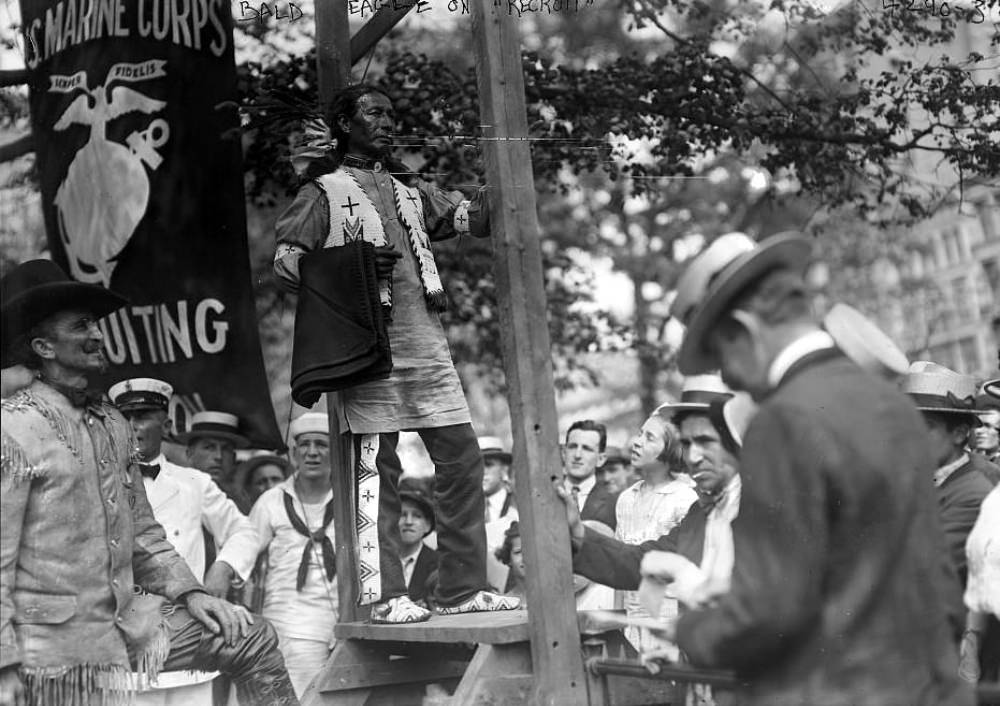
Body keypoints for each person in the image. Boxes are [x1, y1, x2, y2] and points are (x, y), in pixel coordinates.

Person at [662, 232, 969, 704]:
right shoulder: (892, 404)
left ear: (743, 330)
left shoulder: (782, 420)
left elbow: (768, 612)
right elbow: (940, 587)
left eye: (721, 360)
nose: (729, 379)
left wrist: (688, 631)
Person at [0, 259, 298, 706]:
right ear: (43, 345)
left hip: (127, 626)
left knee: (247, 634)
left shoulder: (112, 423)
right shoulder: (13, 428)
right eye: (82, 326)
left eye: (96, 324)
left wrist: (193, 593)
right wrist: (4, 664)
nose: (98, 335)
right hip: (50, 646)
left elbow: (143, 532)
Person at [274, 83, 518, 623]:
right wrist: (354, 264)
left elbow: (467, 219)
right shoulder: (323, 192)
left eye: (390, 115)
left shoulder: (410, 189)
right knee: (372, 471)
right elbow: (288, 263)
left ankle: (460, 589)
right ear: (344, 125)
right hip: (367, 350)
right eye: (373, 115)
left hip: (426, 344)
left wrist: (500, 176)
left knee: (462, 457)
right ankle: (384, 596)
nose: (386, 124)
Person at [109, 377, 262, 706]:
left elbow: (244, 530)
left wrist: (223, 567)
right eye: (126, 418)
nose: (133, 427)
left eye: (144, 417)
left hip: (187, 631)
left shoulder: (194, 483)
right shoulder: (102, 483)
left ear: (165, 425)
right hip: (126, 639)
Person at [249, 412, 339, 698]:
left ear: (334, 450)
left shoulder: (348, 500)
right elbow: (243, 553)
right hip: (280, 627)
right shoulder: (272, 501)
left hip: (333, 628)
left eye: (322, 445)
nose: (312, 453)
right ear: (294, 452)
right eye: (305, 444)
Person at [614, 408, 697, 652]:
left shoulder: (683, 499)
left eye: (648, 438)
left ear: (669, 450)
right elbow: (618, 567)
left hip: (668, 626)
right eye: (639, 434)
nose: (636, 443)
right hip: (628, 624)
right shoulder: (626, 499)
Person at [177, 410, 253, 514]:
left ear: (234, 458)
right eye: (209, 447)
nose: (219, 456)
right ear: (190, 454)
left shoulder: (244, 504)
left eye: (226, 449)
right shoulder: (172, 496)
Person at [563, 419, 620, 530]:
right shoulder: (545, 496)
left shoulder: (615, 504)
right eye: (573, 447)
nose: (577, 455)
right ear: (564, 453)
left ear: (600, 459)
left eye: (587, 449)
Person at [398, 476, 440, 606]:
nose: (408, 522)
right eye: (402, 515)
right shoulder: (380, 562)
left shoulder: (439, 564)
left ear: (427, 525)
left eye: (417, 516)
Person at [480, 436, 516, 523]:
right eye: (475, 466)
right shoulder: (467, 511)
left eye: (488, 465)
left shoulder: (518, 505)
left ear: (504, 469)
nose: (481, 472)